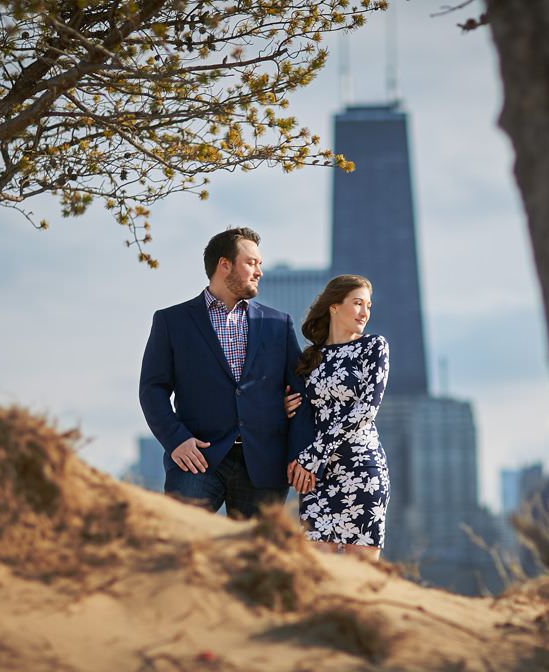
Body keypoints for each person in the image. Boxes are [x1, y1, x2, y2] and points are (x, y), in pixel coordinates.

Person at [139, 227, 311, 518]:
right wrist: (176, 439)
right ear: (224, 265)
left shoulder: (277, 323)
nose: (259, 271)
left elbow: (300, 392)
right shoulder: (172, 321)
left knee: (253, 556)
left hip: (264, 463)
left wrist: (299, 453)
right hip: (198, 460)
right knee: (182, 544)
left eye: (260, 264)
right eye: (251, 262)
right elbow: (152, 389)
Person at [289, 275, 390, 561]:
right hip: (317, 477)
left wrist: (314, 454)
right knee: (316, 569)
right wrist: (286, 407)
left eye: (368, 306)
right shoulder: (311, 357)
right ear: (334, 306)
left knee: (361, 575)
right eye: (357, 303)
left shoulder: (373, 347)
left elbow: (366, 409)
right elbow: (302, 411)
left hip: (361, 470)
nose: (364, 312)